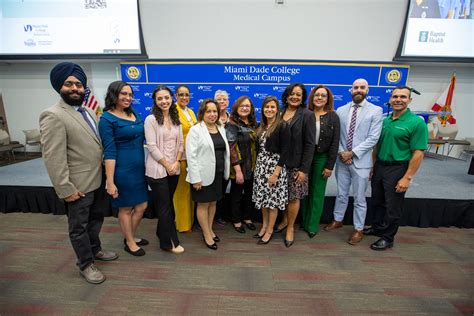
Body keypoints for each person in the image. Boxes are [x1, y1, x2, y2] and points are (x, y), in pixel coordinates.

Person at [39, 62, 118, 284]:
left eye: (79, 84)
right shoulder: (53, 115)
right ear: (59, 86)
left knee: (96, 220)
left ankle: (96, 250)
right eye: (69, 84)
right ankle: (85, 264)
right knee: (78, 227)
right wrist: (65, 189)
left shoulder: (89, 111)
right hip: (77, 186)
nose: (75, 88)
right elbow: (53, 157)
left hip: (96, 180)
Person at [364, 86, 428, 250]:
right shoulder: (385, 120)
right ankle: (378, 227)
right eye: (395, 97)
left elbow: (418, 153)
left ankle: (387, 237)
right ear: (390, 100)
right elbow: (376, 146)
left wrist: (407, 177)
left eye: (403, 97)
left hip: (398, 168)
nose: (398, 100)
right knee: (377, 201)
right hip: (380, 166)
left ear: (410, 100)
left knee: (393, 206)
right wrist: (373, 167)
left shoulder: (416, 123)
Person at [324, 78, 383, 246]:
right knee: (341, 194)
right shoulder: (341, 110)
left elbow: (373, 138)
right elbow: (337, 136)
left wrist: (353, 153)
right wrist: (343, 153)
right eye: (355, 87)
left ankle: (358, 229)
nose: (358, 90)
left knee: (359, 198)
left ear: (367, 90)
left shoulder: (376, 111)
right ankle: (338, 219)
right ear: (351, 90)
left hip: (361, 162)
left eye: (362, 87)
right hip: (342, 159)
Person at [99, 81, 148, 257]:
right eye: (123, 94)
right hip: (122, 171)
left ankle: (131, 236)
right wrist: (110, 182)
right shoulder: (107, 119)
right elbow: (109, 152)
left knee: (142, 205)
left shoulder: (132, 112)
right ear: (114, 95)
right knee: (126, 208)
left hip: (138, 169)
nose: (128, 97)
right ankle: (129, 241)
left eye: (130, 94)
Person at [144, 85, 185, 254]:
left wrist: (176, 162)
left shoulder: (176, 119)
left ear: (171, 98)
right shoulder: (151, 119)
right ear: (155, 101)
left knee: (167, 204)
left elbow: (181, 143)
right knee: (165, 207)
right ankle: (169, 243)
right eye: (160, 98)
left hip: (174, 169)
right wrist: (167, 165)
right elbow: (152, 147)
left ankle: (161, 233)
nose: (164, 101)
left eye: (166, 97)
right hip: (157, 171)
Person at [275, 83, 316, 248]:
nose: (295, 97)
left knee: (294, 197)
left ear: (302, 97)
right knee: (283, 196)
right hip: (279, 164)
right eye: (292, 94)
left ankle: (290, 228)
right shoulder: (279, 113)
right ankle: (284, 220)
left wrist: (304, 169)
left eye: (298, 94)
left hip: (296, 165)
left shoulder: (307, 115)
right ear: (286, 96)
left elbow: (310, 144)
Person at [186, 99, 230, 250]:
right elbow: (191, 156)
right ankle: (206, 234)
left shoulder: (221, 128)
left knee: (213, 203)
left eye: (215, 111)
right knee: (203, 205)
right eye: (209, 111)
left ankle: (210, 229)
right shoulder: (196, 130)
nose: (212, 114)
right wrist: (195, 178)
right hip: (202, 176)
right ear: (202, 113)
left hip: (218, 174)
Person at [300, 85, 340, 238]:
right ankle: (303, 221)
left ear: (328, 99)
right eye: (317, 95)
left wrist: (330, 165)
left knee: (317, 193)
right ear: (312, 97)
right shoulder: (305, 114)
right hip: (304, 157)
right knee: (303, 191)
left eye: (323, 96)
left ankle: (312, 225)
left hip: (321, 157)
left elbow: (335, 143)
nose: (320, 98)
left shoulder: (333, 116)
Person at [252, 96, 288, 245]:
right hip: (261, 167)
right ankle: (264, 225)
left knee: (272, 202)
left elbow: (286, 151)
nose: (269, 109)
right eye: (267, 107)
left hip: (275, 168)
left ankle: (270, 230)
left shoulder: (282, 125)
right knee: (263, 200)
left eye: (272, 107)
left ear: (277, 109)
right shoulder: (261, 126)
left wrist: (275, 174)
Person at [226, 96, 258, 234]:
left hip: (252, 167)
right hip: (239, 167)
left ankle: (247, 218)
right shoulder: (232, 124)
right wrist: (238, 170)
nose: (245, 108)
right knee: (237, 195)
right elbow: (232, 148)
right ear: (236, 108)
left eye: (247, 106)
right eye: (242, 106)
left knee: (250, 194)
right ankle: (237, 221)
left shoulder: (253, 124)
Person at [173, 84, 197, 233]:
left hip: (192, 157)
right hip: (180, 157)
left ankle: (191, 220)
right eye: (181, 94)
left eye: (186, 94)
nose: (184, 97)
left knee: (190, 191)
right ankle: (182, 224)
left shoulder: (191, 111)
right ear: (176, 96)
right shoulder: (172, 111)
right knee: (181, 192)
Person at [215, 89, 231, 225]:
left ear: (228, 102)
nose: (221, 101)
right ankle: (214, 216)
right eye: (219, 99)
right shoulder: (211, 118)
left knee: (223, 188)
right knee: (215, 189)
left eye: (224, 99)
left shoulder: (232, 118)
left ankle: (220, 214)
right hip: (215, 160)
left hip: (230, 160)